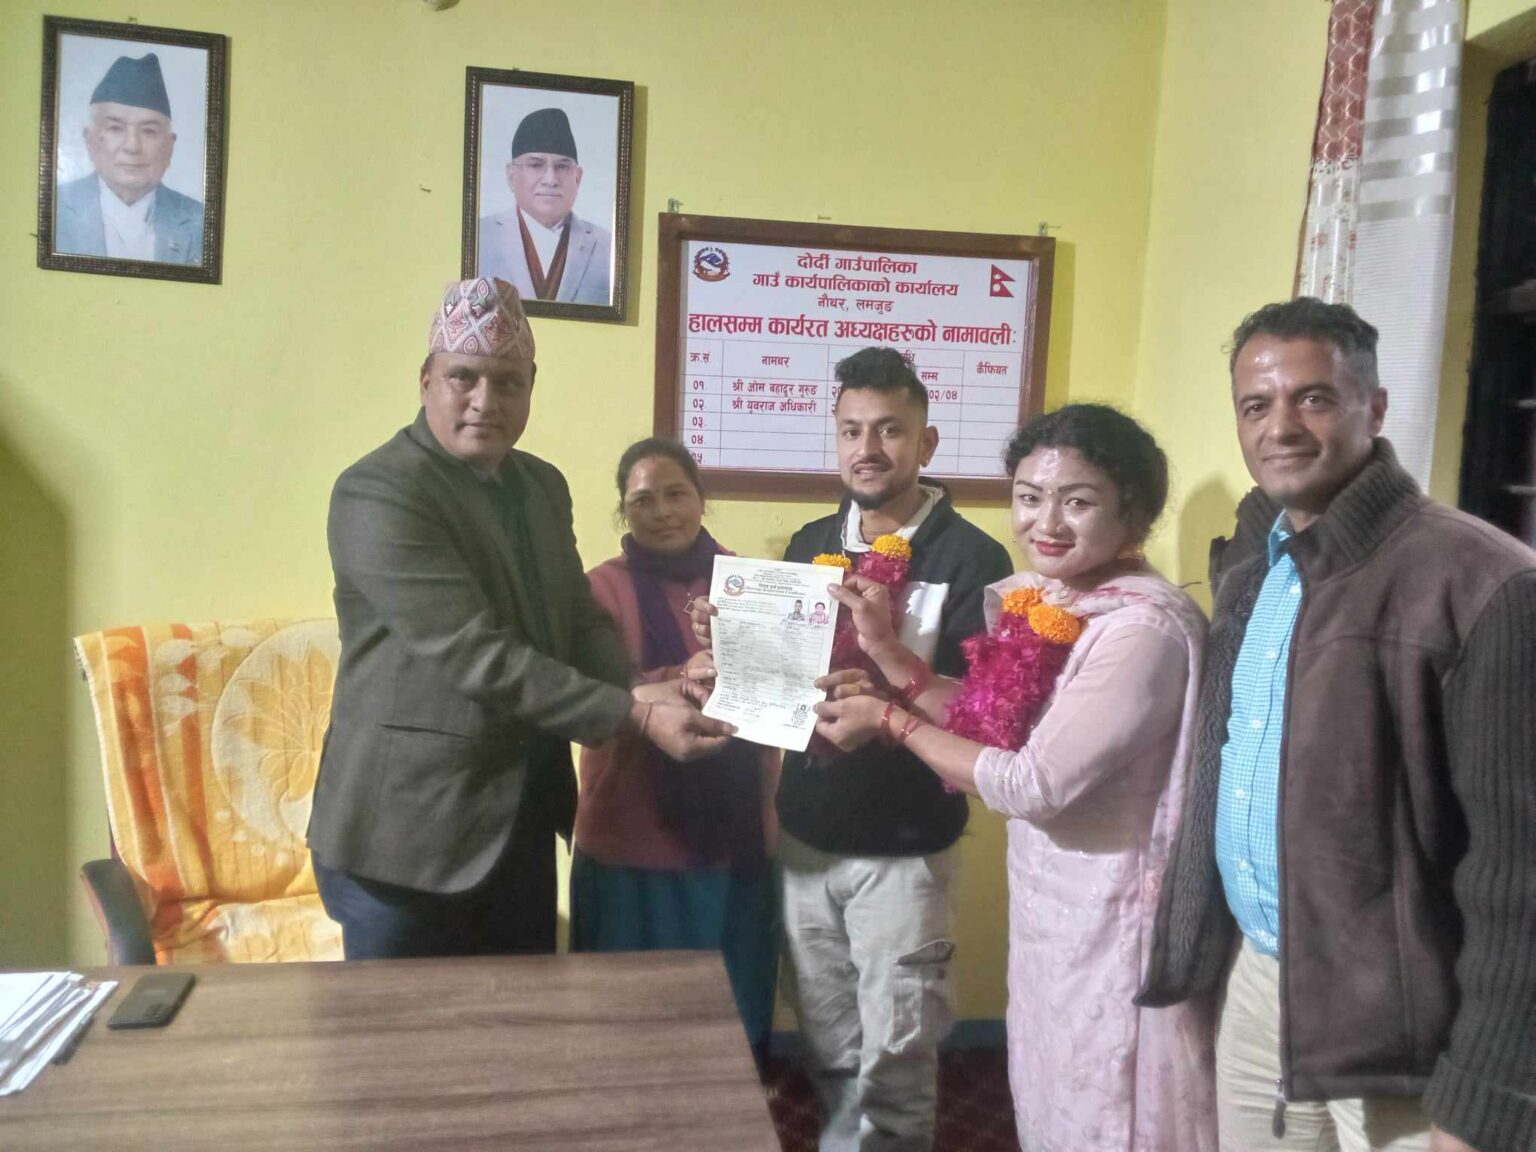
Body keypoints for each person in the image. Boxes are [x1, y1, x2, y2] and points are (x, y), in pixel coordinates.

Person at [1137, 298, 1536, 1152]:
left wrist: (1486, 1097)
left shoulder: (1484, 582)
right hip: (1260, 981)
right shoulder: (1257, 562)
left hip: (1405, 1030)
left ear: (1375, 408)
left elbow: (1519, 875)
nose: (1280, 427)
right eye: (1256, 405)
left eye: (1313, 398)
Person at [815, 403, 1218, 1152]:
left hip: (1119, 917)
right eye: (1030, 497)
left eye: (1078, 501)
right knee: (1055, 1092)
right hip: (1055, 908)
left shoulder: (1141, 629)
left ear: (1134, 510)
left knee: (1110, 1106)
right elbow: (986, 719)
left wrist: (893, 722)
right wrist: (889, 655)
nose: (1046, 522)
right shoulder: (1059, 601)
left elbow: (1031, 782)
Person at [308, 277, 731, 960]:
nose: (486, 400)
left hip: (522, 823)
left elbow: (576, 616)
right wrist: (636, 715)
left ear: (531, 387)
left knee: (523, 1020)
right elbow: (474, 653)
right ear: (426, 381)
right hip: (406, 836)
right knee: (402, 1031)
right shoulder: (380, 490)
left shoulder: (541, 484)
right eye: (464, 377)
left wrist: (635, 686)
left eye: (508, 382)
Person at [696, 346, 1013, 1152]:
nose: (867, 449)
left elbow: (982, 713)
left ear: (926, 442)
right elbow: (777, 679)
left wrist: (889, 705)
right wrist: (726, 643)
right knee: (830, 1044)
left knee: (898, 1057)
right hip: (807, 836)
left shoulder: (975, 558)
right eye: (850, 431)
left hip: (906, 849)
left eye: (889, 430)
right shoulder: (808, 543)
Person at [571, 438, 780, 1062]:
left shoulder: (752, 583)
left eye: (675, 493)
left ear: (701, 499)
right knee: (631, 1019)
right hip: (632, 832)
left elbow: (781, 683)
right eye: (643, 500)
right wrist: (681, 677)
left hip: (736, 831)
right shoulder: (598, 590)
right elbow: (589, 695)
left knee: (727, 1021)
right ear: (623, 510)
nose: (662, 511)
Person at [55, 53, 204, 264]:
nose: (132, 146)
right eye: (116, 128)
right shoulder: (54, 209)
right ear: (90, 140)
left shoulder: (200, 221)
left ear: (169, 148)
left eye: (149, 131)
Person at [477, 107, 611, 306]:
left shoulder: (607, 247)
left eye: (562, 166)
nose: (550, 180)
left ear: (577, 178)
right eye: (536, 165)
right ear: (512, 176)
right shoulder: (480, 237)